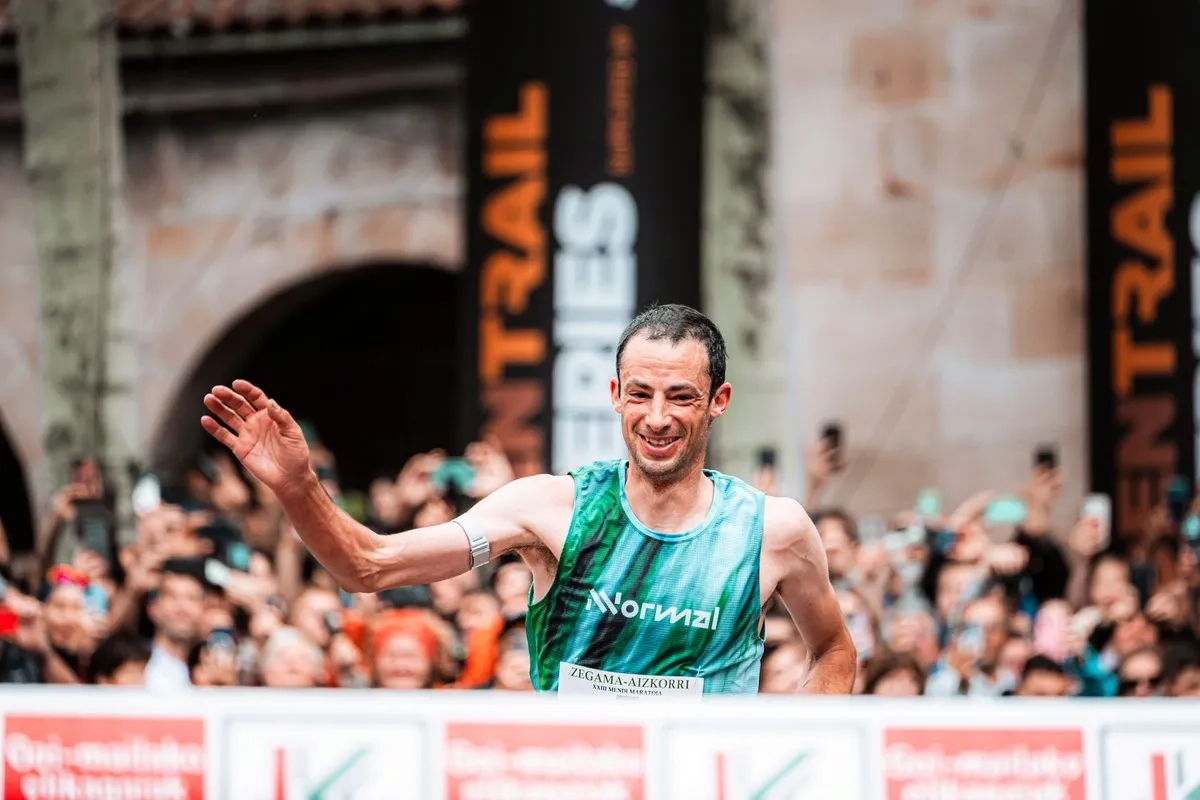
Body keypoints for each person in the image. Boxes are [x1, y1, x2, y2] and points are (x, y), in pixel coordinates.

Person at [200, 303, 855, 695]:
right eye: (640, 394)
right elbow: (367, 565)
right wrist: (297, 487)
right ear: (615, 395)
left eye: (681, 397)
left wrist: (789, 761)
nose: (657, 417)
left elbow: (834, 651)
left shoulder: (772, 529)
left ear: (718, 401)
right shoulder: (550, 510)